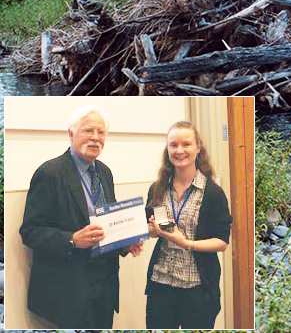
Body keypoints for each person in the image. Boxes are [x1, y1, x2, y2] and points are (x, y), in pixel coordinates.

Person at [19, 105, 143, 328]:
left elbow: (109, 223)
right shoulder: (49, 173)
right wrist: (73, 240)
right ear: (71, 134)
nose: (95, 138)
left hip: (104, 288)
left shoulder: (105, 172)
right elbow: (30, 232)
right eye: (88, 131)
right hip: (68, 290)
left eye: (101, 132)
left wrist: (125, 243)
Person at [145, 121, 232, 328]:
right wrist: (152, 230)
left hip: (198, 290)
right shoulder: (157, 188)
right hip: (161, 286)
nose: (179, 150)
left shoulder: (213, 193)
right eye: (173, 145)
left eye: (186, 144)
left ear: (198, 147)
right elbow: (149, 230)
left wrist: (186, 243)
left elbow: (222, 242)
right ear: (168, 150)